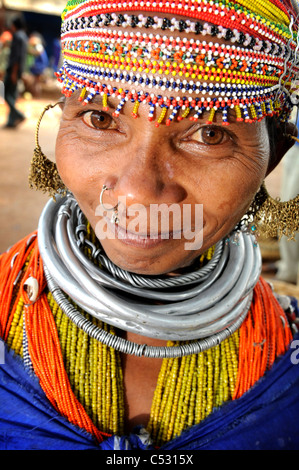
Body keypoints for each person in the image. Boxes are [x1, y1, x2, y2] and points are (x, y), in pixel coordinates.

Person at [0, 0, 299, 451]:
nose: (138, 190)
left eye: (210, 134)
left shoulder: (286, 355)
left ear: (274, 154)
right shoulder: (8, 314)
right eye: (100, 119)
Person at [3, 17, 27, 128]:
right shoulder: (24, 36)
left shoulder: (17, 36)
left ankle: (18, 114)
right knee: (12, 95)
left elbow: (17, 57)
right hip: (17, 71)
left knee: (6, 95)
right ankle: (11, 121)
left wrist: (13, 73)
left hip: (13, 70)